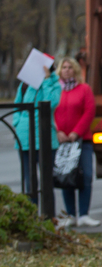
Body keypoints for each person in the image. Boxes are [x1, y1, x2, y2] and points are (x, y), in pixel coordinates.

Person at [54, 57, 99, 227]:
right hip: (62, 142)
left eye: (70, 67)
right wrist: (58, 130)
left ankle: (84, 214)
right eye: (64, 67)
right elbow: (50, 111)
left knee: (85, 175)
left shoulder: (84, 89)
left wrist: (76, 132)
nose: (66, 70)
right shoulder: (56, 90)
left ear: (75, 70)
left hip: (82, 141)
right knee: (66, 177)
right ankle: (71, 214)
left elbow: (89, 112)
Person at [13, 62, 61, 205]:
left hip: (45, 138)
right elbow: (17, 105)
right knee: (30, 181)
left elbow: (50, 103)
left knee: (47, 180)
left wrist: (46, 81)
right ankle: (33, 216)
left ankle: (48, 217)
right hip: (24, 138)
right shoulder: (25, 85)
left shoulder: (54, 85)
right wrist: (18, 122)